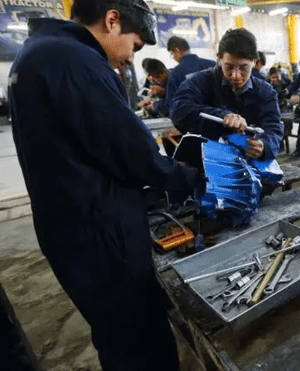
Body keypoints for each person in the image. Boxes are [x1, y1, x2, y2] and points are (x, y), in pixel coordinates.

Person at [8, 1, 199, 370]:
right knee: (142, 343)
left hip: (72, 229)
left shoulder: (37, 53)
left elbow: (89, 147)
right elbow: (132, 152)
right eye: (135, 44)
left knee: (117, 340)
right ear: (112, 20)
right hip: (102, 237)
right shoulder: (74, 60)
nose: (130, 58)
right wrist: (190, 180)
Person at [171, 28, 283, 160]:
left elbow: (274, 127)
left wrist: (265, 146)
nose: (236, 76)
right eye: (229, 67)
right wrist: (222, 116)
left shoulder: (265, 91)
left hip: (248, 163)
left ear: (254, 61)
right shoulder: (199, 81)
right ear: (219, 58)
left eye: (244, 67)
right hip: (206, 160)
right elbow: (179, 110)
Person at [165, 36, 216, 124]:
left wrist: (156, 105)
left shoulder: (176, 72)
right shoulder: (213, 64)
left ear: (177, 51)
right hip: (219, 118)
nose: (173, 57)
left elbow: (172, 105)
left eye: (172, 54)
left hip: (195, 122)